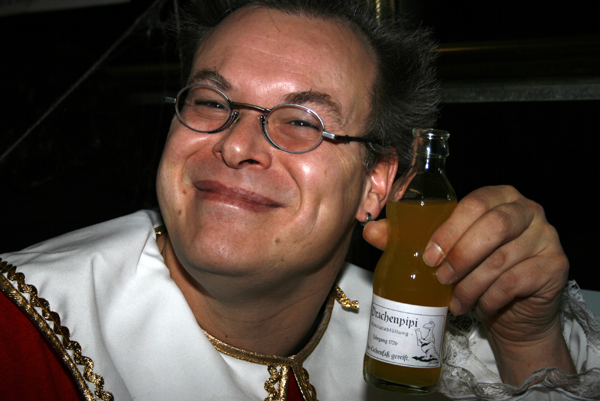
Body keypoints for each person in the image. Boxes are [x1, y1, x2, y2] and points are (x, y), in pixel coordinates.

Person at [1, 0, 598, 400]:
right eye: (211, 103)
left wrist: (525, 341)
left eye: (301, 122)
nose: (236, 146)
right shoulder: (22, 334)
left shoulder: (420, 332)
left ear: (376, 184)